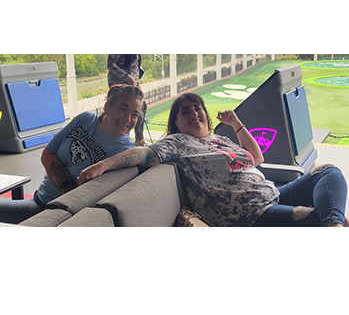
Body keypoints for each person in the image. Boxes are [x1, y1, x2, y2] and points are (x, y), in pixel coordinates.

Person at [77, 92, 348, 227]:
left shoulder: (220, 139)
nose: (194, 114)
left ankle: (334, 226)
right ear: (177, 123)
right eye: (185, 111)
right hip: (250, 215)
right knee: (319, 218)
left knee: (327, 172)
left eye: (198, 108)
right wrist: (103, 165)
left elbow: (256, 157)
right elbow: (144, 154)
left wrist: (236, 123)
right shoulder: (178, 143)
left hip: (273, 194)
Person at [0, 84, 144, 224]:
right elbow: (48, 154)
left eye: (134, 115)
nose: (127, 119)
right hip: (39, 202)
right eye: (122, 110)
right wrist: (67, 187)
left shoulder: (124, 153)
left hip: (64, 215)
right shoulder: (85, 119)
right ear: (107, 107)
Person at [107, 54, 148, 146]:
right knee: (125, 114)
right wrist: (128, 78)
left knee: (141, 110)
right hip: (121, 87)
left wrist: (136, 83)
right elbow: (110, 64)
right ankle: (124, 141)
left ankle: (139, 140)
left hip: (133, 86)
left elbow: (134, 70)